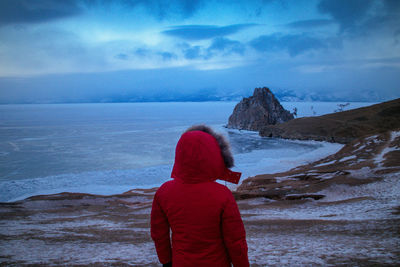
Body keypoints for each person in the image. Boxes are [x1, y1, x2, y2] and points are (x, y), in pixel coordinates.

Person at [151, 125, 249, 267]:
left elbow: (159, 234)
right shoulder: (222, 194)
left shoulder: (164, 192)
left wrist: (166, 261)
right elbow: (235, 240)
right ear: (214, 156)